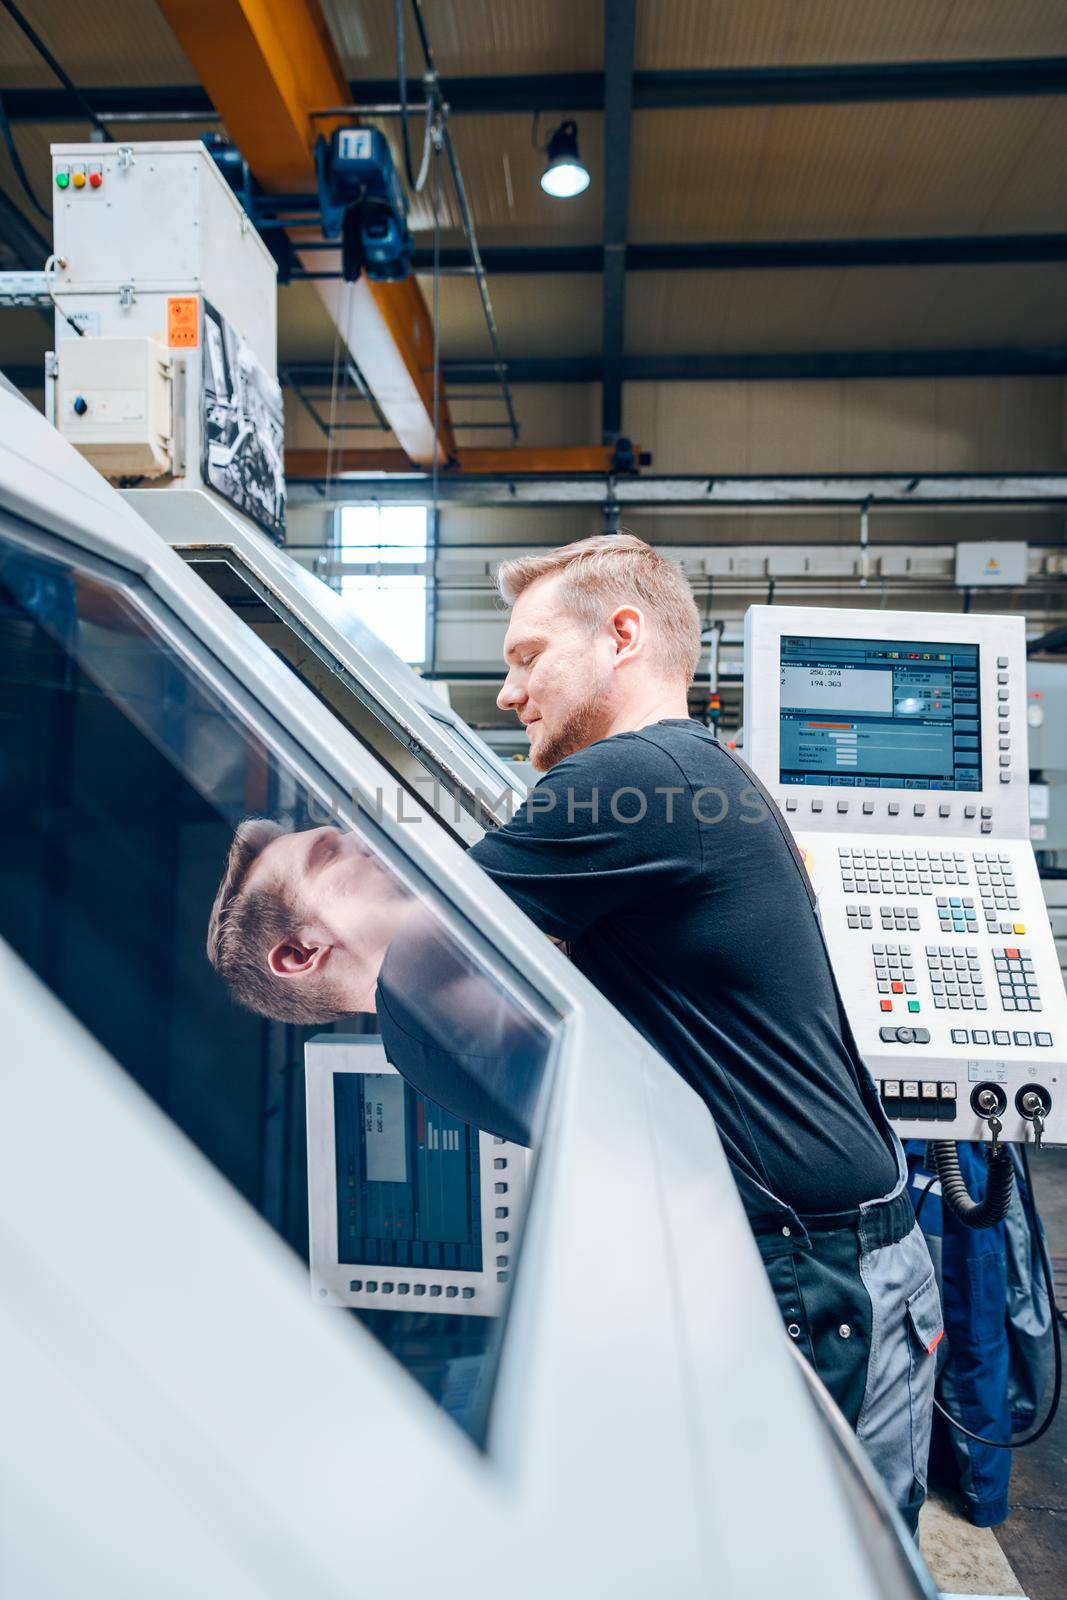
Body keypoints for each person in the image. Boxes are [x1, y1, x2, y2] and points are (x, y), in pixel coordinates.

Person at [207, 534, 939, 1532]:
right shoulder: (684, 772)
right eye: (338, 851)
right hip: (834, 1262)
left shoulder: (626, 782)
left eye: (525, 655)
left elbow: (433, 964)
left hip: (814, 1277)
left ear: (621, 637)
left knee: (807, 1550)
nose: (508, 691)